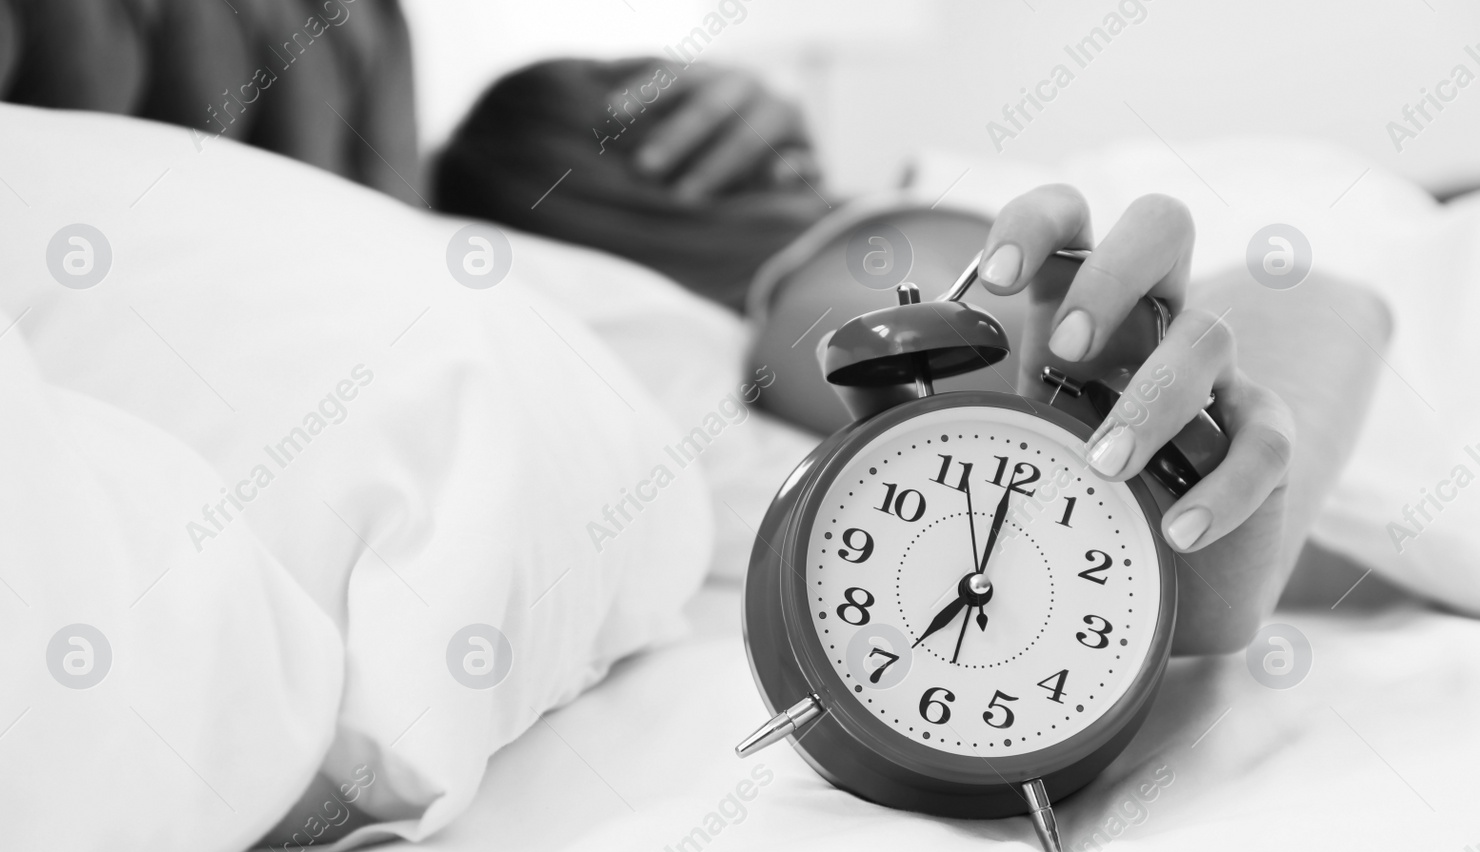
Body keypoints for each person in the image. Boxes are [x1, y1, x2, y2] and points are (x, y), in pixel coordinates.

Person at [436, 58, 1396, 656]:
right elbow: (1119, 478)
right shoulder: (816, 304)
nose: (706, 97)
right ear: (627, 178)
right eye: (635, 91)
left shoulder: (859, 223)